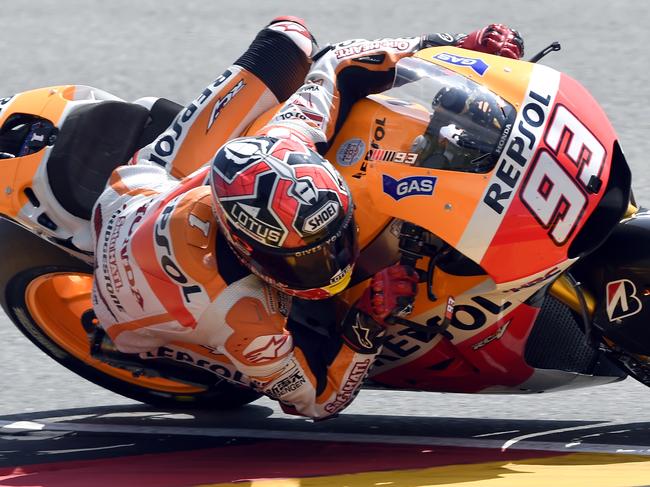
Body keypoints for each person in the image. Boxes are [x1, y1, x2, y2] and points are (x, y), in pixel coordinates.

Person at [1, 18, 524, 418]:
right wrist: (368, 320)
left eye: (332, 241)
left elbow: (337, 63)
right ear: (249, 250)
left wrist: (455, 45)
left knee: (289, 41)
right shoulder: (242, 318)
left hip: (150, 179)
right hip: (155, 290)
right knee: (310, 338)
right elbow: (318, 401)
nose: (331, 264)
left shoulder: (287, 140)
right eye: (307, 260)